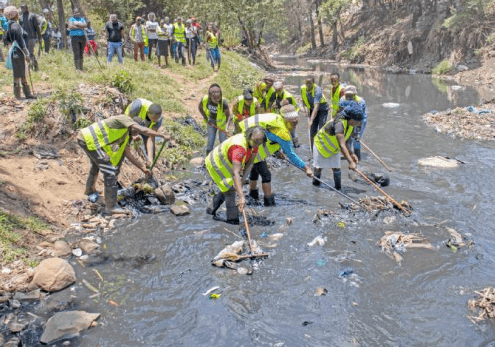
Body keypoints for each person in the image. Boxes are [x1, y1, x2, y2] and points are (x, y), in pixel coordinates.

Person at [78, 115, 172, 214]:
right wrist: (161, 135)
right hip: (88, 138)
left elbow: (128, 154)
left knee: (95, 166)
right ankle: (111, 207)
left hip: (88, 140)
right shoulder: (124, 119)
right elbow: (143, 129)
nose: (137, 134)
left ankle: (89, 191)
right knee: (110, 172)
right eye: (137, 131)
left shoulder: (126, 135)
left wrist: (143, 168)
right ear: (133, 126)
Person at [239, 105, 313, 206]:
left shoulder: (276, 119)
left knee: (254, 170)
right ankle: (268, 202)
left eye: (296, 122)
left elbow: (269, 137)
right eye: (293, 123)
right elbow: (291, 155)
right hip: (254, 150)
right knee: (266, 175)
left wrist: (277, 152)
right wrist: (306, 168)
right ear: (286, 120)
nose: (295, 126)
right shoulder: (282, 133)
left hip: (246, 138)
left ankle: (252, 195)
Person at [205, 126, 266, 224]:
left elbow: (250, 164)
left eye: (260, 142)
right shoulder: (239, 148)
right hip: (216, 163)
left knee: (228, 187)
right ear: (250, 136)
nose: (257, 145)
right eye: (256, 142)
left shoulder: (254, 144)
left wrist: (241, 183)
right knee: (230, 191)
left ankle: (209, 211)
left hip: (228, 163)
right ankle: (232, 221)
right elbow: (236, 173)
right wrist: (241, 197)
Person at [312, 102, 364, 190]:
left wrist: (351, 154)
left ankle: (338, 189)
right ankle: (315, 188)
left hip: (334, 149)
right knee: (318, 168)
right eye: (358, 121)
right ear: (352, 119)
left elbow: (346, 141)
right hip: (321, 145)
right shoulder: (339, 124)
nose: (359, 123)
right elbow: (342, 144)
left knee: (336, 169)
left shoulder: (350, 125)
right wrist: (350, 162)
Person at [3, 6, 35, 99]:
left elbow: (6, 40)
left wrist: (10, 47)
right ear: (15, 15)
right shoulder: (16, 26)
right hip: (19, 52)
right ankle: (26, 95)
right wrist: (27, 54)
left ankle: (19, 95)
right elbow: (21, 42)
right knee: (22, 74)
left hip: (13, 52)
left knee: (17, 74)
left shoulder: (8, 26)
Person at [125, 99, 163, 166]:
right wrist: (134, 134)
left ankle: (149, 166)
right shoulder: (137, 106)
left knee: (150, 152)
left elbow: (151, 137)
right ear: (148, 113)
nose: (154, 121)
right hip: (129, 122)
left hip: (144, 126)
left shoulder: (159, 119)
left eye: (155, 120)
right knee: (126, 139)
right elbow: (126, 121)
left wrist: (150, 159)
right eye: (153, 119)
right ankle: (124, 155)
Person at [198, 84, 232, 155]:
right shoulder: (205, 100)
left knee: (223, 145)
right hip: (211, 122)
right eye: (215, 98)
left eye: (218, 98)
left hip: (222, 124)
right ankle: (207, 162)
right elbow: (200, 107)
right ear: (210, 96)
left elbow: (229, 116)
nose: (217, 100)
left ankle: (224, 161)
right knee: (210, 145)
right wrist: (205, 117)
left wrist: (226, 128)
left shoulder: (223, 102)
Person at [301, 76, 329, 152]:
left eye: (310, 83)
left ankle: (322, 150)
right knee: (312, 130)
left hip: (322, 109)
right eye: (307, 83)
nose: (308, 85)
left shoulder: (318, 90)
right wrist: (305, 109)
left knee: (321, 129)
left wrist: (311, 120)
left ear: (313, 83)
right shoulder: (303, 88)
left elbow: (316, 107)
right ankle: (313, 151)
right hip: (312, 109)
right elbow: (303, 100)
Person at [340, 86, 367, 160]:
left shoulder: (360, 102)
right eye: (347, 95)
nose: (349, 96)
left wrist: (357, 133)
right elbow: (340, 112)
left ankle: (357, 157)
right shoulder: (342, 100)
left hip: (360, 120)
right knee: (347, 137)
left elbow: (359, 119)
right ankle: (348, 155)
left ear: (355, 94)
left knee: (356, 139)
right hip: (348, 119)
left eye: (351, 95)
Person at [19, 4, 41, 71]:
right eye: (21, 8)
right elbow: (20, 28)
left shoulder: (32, 16)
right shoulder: (21, 17)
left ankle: (35, 66)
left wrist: (39, 37)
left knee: (30, 53)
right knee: (25, 53)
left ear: (27, 8)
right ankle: (28, 68)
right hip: (24, 38)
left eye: (24, 8)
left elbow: (37, 27)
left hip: (32, 37)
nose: (22, 10)